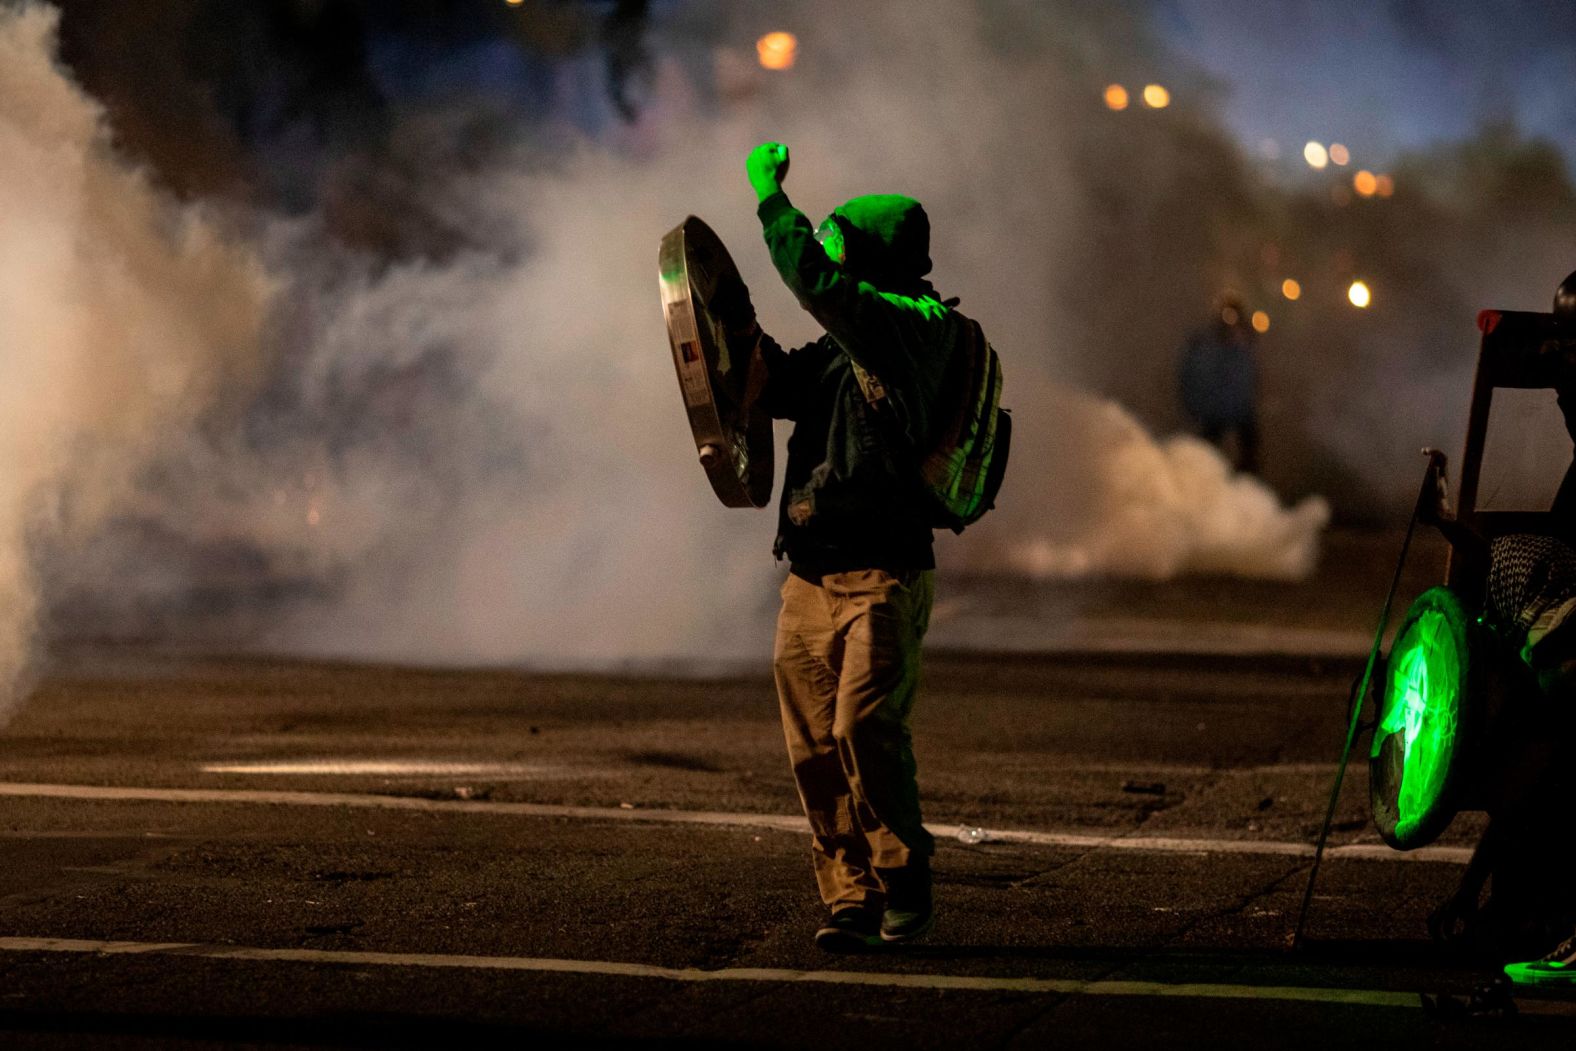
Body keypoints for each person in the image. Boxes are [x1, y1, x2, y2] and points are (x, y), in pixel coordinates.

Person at [723, 141, 964, 952]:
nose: (827, 260)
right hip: (812, 571)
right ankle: (849, 896)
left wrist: (769, 197)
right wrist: (726, 336)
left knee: (865, 726)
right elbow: (786, 386)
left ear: (874, 261)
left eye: (839, 247)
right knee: (814, 749)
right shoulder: (852, 344)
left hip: (884, 571)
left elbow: (817, 282)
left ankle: (905, 878)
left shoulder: (912, 330)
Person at [1177, 294, 1261, 473]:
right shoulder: (1207, 344)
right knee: (1206, 456)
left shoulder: (1244, 342)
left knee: (1247, 457)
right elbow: (1194, 377)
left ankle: (1243, 491)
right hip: (1216, 411)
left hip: (1239, 410)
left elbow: (1248, 378)